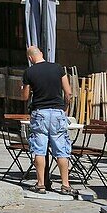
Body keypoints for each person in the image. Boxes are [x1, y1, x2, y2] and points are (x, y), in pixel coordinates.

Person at [21, 45, 75, 195]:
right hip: (57, 112)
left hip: (40, 113)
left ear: (30, 58)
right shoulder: (58, 68)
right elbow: (68, 92)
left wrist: (24, 89)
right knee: (61, 149)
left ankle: (41, 184)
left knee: (39, 149)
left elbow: (25, 97)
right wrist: (64, 108)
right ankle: (65, 185)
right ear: (42, 54)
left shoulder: (29, 72)